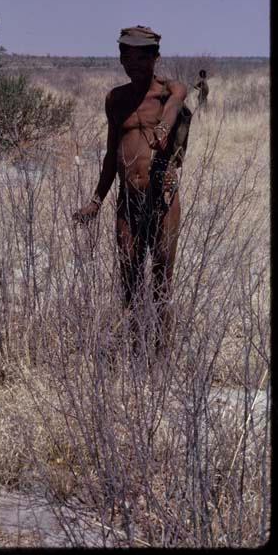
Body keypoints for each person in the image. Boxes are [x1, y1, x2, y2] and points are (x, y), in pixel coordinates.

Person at [73, 25, 187, 355]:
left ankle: (162, 357)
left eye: (141, 57)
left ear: (155, 58)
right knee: (130, 281)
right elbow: (112, 154)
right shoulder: (116, 99)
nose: (132, 63)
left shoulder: (169, 93)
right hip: (127, 199)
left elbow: (179, 97)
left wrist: (165, 125)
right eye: (126, 56)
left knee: (161, 282)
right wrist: (96, 201)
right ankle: (137, 353)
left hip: (162, 199)